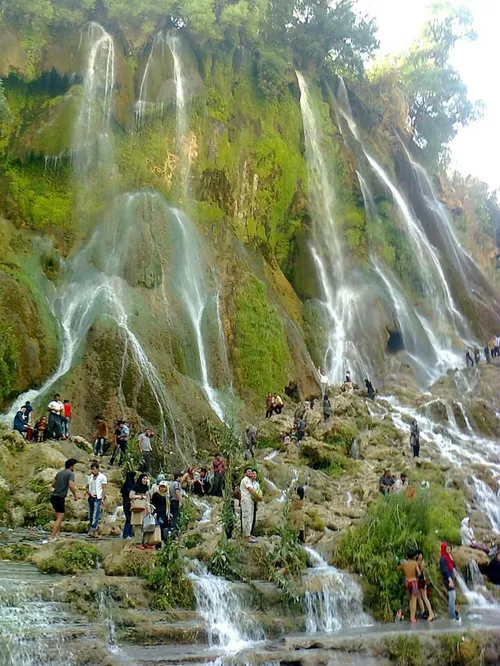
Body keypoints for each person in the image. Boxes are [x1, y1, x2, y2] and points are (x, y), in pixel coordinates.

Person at [50, 458, 78, 540]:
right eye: (75, 466)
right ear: (71, 466)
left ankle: (57, 535)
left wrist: (59, 486)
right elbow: (71, 485)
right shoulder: (70, 474)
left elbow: (53, 484)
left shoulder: (60, 473)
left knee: (58, 516)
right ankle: (52, 536)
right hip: (60, 497)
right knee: (60, 517)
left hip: (53, 496)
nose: (75, 468)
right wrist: (75, 495)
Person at [240, 468, 262, 543]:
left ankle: (248, 534)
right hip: (246, 500)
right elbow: (251, 490)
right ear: (245, 473)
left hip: (250, 501)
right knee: (246, 517)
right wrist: (259, 497)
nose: (250, 473)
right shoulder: (245, 480)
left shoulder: (249, 480)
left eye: (250, 471)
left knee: (250, 517)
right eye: (248, 471)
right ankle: (246, 536)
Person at [86, 462, 107, 538]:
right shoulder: (90, 477)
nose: (93, 471)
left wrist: (102, 499)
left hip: (98, 498)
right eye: (92, 469)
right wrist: (90, 493)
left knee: (96, 514)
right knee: (91, 514)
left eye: (94, 469)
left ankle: (92, 529)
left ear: (97, 469)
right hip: (91, 497)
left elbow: (104, 488)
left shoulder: (102, 477)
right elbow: (87, 488)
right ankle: (92, 531)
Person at [399, 551, 421, 623]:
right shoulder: (414, 563)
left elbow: (398, 568)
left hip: (407, 582)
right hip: (413, 581)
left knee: (410, 599)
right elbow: (419, 573)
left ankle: (411, 617)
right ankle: (412, 617)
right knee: (414, 600)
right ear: (413, 556)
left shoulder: (404, 563)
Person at [130, 473, 150, 546]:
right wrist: (140, 496)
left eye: (146, 478)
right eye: (143, 478)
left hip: (144, 507)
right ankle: (137, 542)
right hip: (137, 508)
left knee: (145, 525)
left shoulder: (146, 488)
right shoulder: (135, 486)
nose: (145, 480)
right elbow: (131, 496)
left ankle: (145, 542)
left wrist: (149, 508)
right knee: (137, 525)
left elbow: (148, 498)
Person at [440, 542, 459, 620]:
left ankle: (453, 613)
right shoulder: (443, 559)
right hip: (448, 579)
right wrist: (450, 580)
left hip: (451, 577)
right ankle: (452, 615)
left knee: (453, 596)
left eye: (450, 549)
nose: (449, 550)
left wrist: (451, 558)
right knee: (452, 596)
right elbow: (445, 571)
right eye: (447, 549)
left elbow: (453, 566)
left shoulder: (448, 557)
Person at [414, 550, 435, 621]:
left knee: (424, 597)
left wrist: (418, 564)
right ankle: (423, 611)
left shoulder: (422, 562)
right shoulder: (415, 562)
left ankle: (431, 613)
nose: (419, 556)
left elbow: (420, 571)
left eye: (420, 555)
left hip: (422, 580)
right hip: (417, 581)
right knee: (418, 597)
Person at [152, 480, 170, 544]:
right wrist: (155, 512)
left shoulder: (166, 495)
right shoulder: (155, 495)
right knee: (159, 528)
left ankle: (165, 542)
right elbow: (153, 504)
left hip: (165, 514)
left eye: (164, 487)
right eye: (161, 487)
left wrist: (169, 513)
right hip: (158, 513)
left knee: (165, 528)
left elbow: (168, 505)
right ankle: (158, 544)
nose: (162, 488)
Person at [121, 471, 136, 539]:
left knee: (129, 519)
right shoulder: (131, 485)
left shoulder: (125, 485)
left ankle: (127, 534)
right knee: (129, 519)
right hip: (129, 504)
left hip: (125, 503)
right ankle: (126, 534)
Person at [250, 469, 262, 537]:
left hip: (254, 501)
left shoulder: (257, 484)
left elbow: (259, 492)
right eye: (253, 473)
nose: (254, 475)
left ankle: (252, 531)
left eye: (255, 474)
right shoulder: (248, 482)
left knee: (253, 516)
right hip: (249, 501)